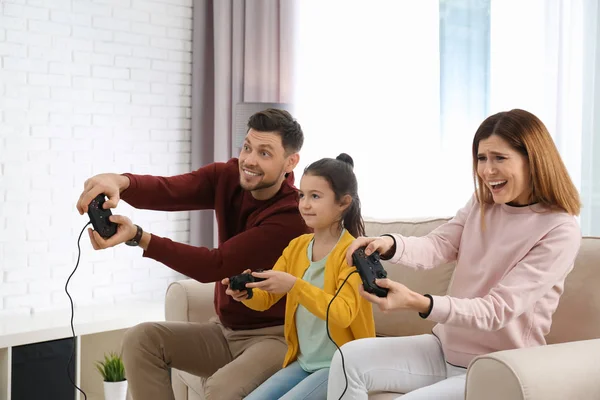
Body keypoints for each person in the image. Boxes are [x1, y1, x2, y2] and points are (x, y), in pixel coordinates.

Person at [328, 109, 582, 399]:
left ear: (532, 159)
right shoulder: (482, 203)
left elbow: (497, 310)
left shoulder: (559, 229)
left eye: (499, 158)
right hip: (445, 348)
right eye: (481, 158)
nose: (487, 171)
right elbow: (439, 245)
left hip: (499, 367)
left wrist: (419, 302)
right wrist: (389, 243)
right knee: (349, 359)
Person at [75, 109, 311, 400]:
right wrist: (119, 182)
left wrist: (139, 237)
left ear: (291, 161)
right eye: (247, 147)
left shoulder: (292, 216)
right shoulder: (227, 176)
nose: (249, 160)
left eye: (265, 153)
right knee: (141, 339)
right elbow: (170, 190)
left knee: (221, 390)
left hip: (275, 338)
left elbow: (215, 264)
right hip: (225, 332)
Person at [223, 154, 376, 400]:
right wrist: (248, 293)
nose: (304, 204)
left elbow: (343, 313)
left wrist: (295, 285)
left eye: (315, 196)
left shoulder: (354, 254)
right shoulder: (297, 247)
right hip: (305, 362)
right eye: (302, 195)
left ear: (343, 203)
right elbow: (266, 298)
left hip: (341, 365)